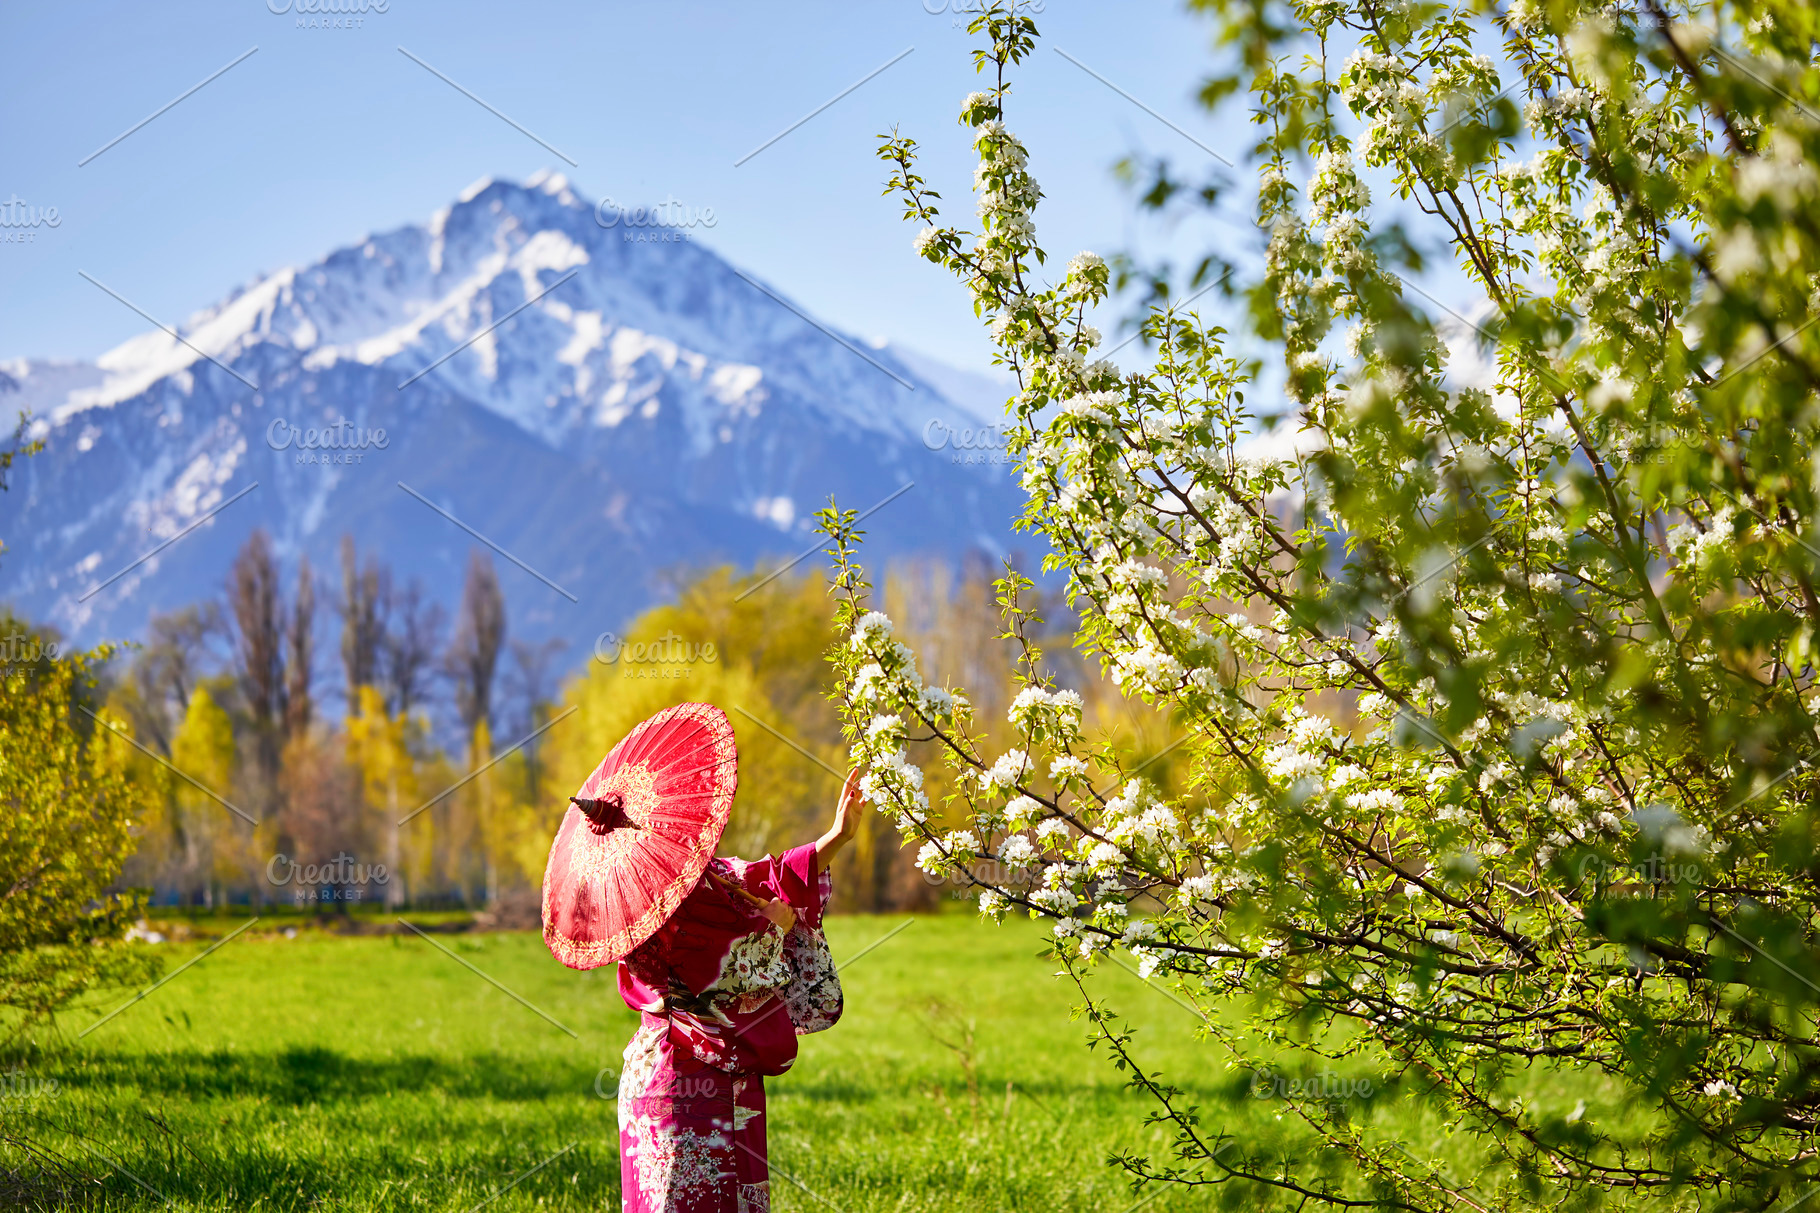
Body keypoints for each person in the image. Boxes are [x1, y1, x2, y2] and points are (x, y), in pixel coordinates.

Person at [613, 768, 861, 1213]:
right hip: (687, 1076)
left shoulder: (703, 874)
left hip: (695, 1068)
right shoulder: (651, 904)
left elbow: (770, 877)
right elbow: (721, 971)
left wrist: (837, 836)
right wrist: (773, 928)